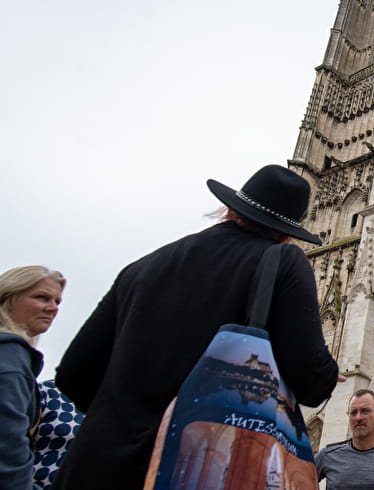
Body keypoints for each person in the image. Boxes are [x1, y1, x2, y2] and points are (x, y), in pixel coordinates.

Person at [53, 164, 340, 490]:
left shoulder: (144, 266)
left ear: (229, 208)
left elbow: (72, 375)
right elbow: (312, 383)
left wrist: (129, 420)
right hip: (194, 469)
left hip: (94, 466)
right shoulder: (282, 262)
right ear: (288, 231)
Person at [0, 265, 65, 490]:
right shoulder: (10, 354)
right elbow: (7, 441)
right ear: (7, 297)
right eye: (41, 297)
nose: (52, 308)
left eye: (57, 301)